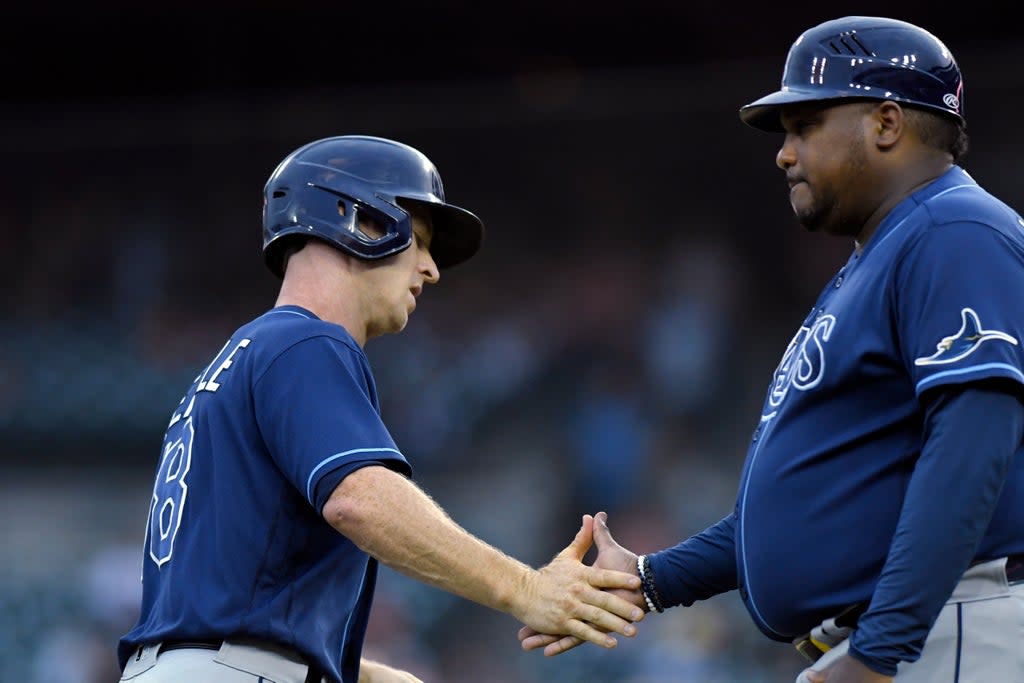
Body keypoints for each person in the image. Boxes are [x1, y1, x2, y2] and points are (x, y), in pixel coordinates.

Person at [518, 16, 1024, 683]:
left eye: (805, 125)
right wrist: (650, 578)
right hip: (905, 634)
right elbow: (806, 504)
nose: (785, 154)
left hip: (947, 627)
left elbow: (972, 439)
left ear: (887, 123)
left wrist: (880, 649)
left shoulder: (955, 229)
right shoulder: (881, 258)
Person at [115, 134, 645, 683]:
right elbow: (361, 502)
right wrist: (526, 590)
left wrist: (362, 675)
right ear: (362, 221)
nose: (431, 269)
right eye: (418, 239)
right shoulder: (307, 344)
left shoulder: (236, 363)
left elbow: (231, 606)